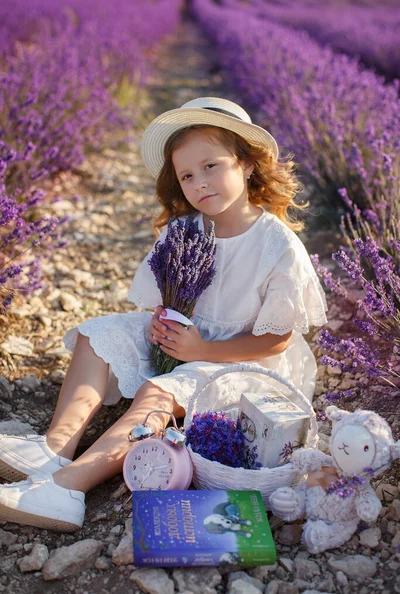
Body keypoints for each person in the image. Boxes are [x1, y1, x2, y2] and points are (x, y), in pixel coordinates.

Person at [0, 97, 328, 532]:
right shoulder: (185, 230)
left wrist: (203, 349)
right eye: (187, 175)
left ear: (247, 164)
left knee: (156, 393)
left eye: (211, 166)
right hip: (187, 339)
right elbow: (166, 296)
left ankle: (66, 488)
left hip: (241, 359)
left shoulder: (276, 244)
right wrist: (161, 321)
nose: (199, 183)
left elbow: (276, 340)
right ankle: (56, 448)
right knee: (98, 336)